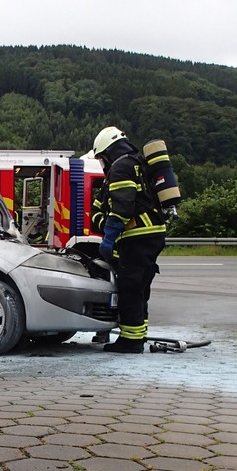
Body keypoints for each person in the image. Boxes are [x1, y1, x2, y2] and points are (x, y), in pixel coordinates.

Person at [91, 126, 167, 353]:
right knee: (140, 288)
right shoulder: (137, 164)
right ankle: (138, 335)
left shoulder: (121, 167)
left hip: (137, 237)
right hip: (150, 235)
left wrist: (109, 239)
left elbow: (123, 207)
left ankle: (131, 342)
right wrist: (99, 220)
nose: (102, 164)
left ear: (108, 152)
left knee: (131, 288)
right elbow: (103, 206)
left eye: (102, 158)